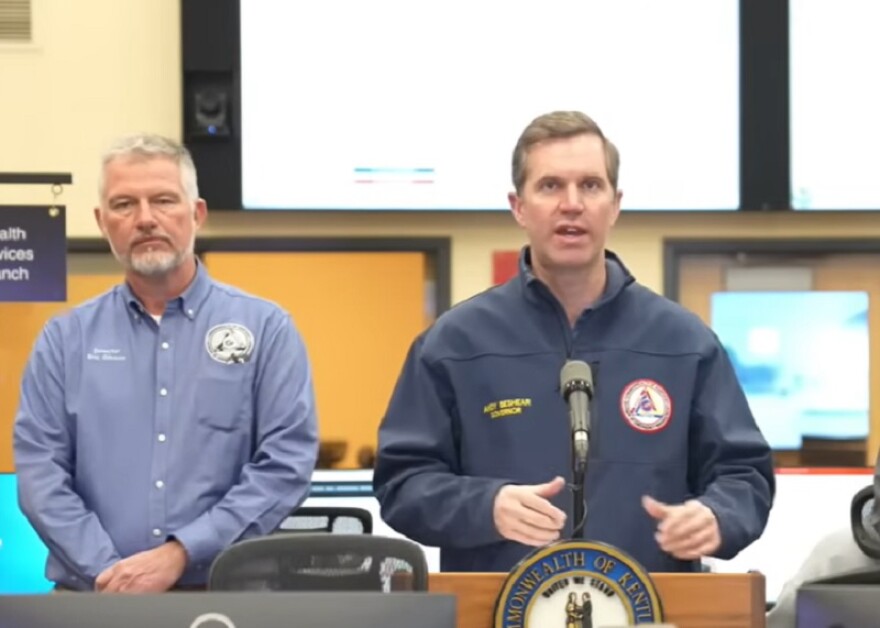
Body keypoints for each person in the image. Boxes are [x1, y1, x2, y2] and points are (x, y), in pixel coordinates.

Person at [373, 110, 775, 574]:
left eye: (590, 185)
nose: (572, 204)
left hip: (647, 603)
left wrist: (717, 515)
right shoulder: (454, 344)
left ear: (615, 205)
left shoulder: (684, 343)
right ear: (518, 207)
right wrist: (485, 506)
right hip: (500, 604)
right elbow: (403, 482)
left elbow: (744, 475)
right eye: (550, 186)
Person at [13, 134, 319, 592]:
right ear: (101, 222)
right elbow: (41, 473)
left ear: (196, 213)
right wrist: (112, 574)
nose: (145, 219)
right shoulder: (64, 340)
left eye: (163, 200)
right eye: (123, 204)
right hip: (95, 600)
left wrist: (183, 552)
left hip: (226, 599)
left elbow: (285, 465)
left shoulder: (267, 330)